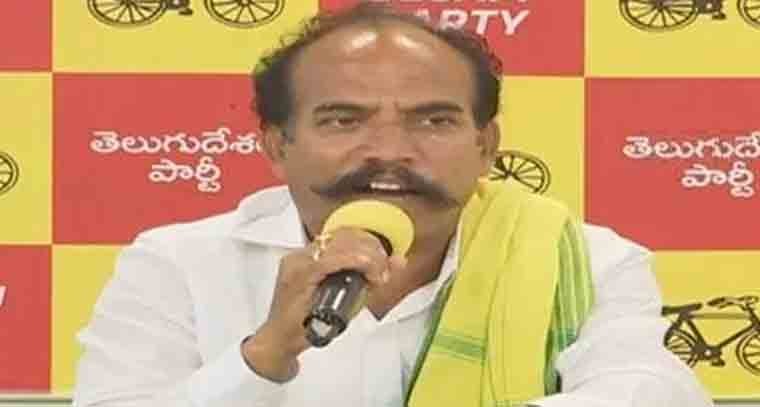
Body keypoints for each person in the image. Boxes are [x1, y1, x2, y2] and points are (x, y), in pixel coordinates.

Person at [73, 3, 714, 407]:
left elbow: (650, 392)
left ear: (486, 146)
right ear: (277, 145)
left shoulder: (585, 261)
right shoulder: (179, 264)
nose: (389, 152)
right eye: (343, 120)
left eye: (433, 121)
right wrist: (263, 356)